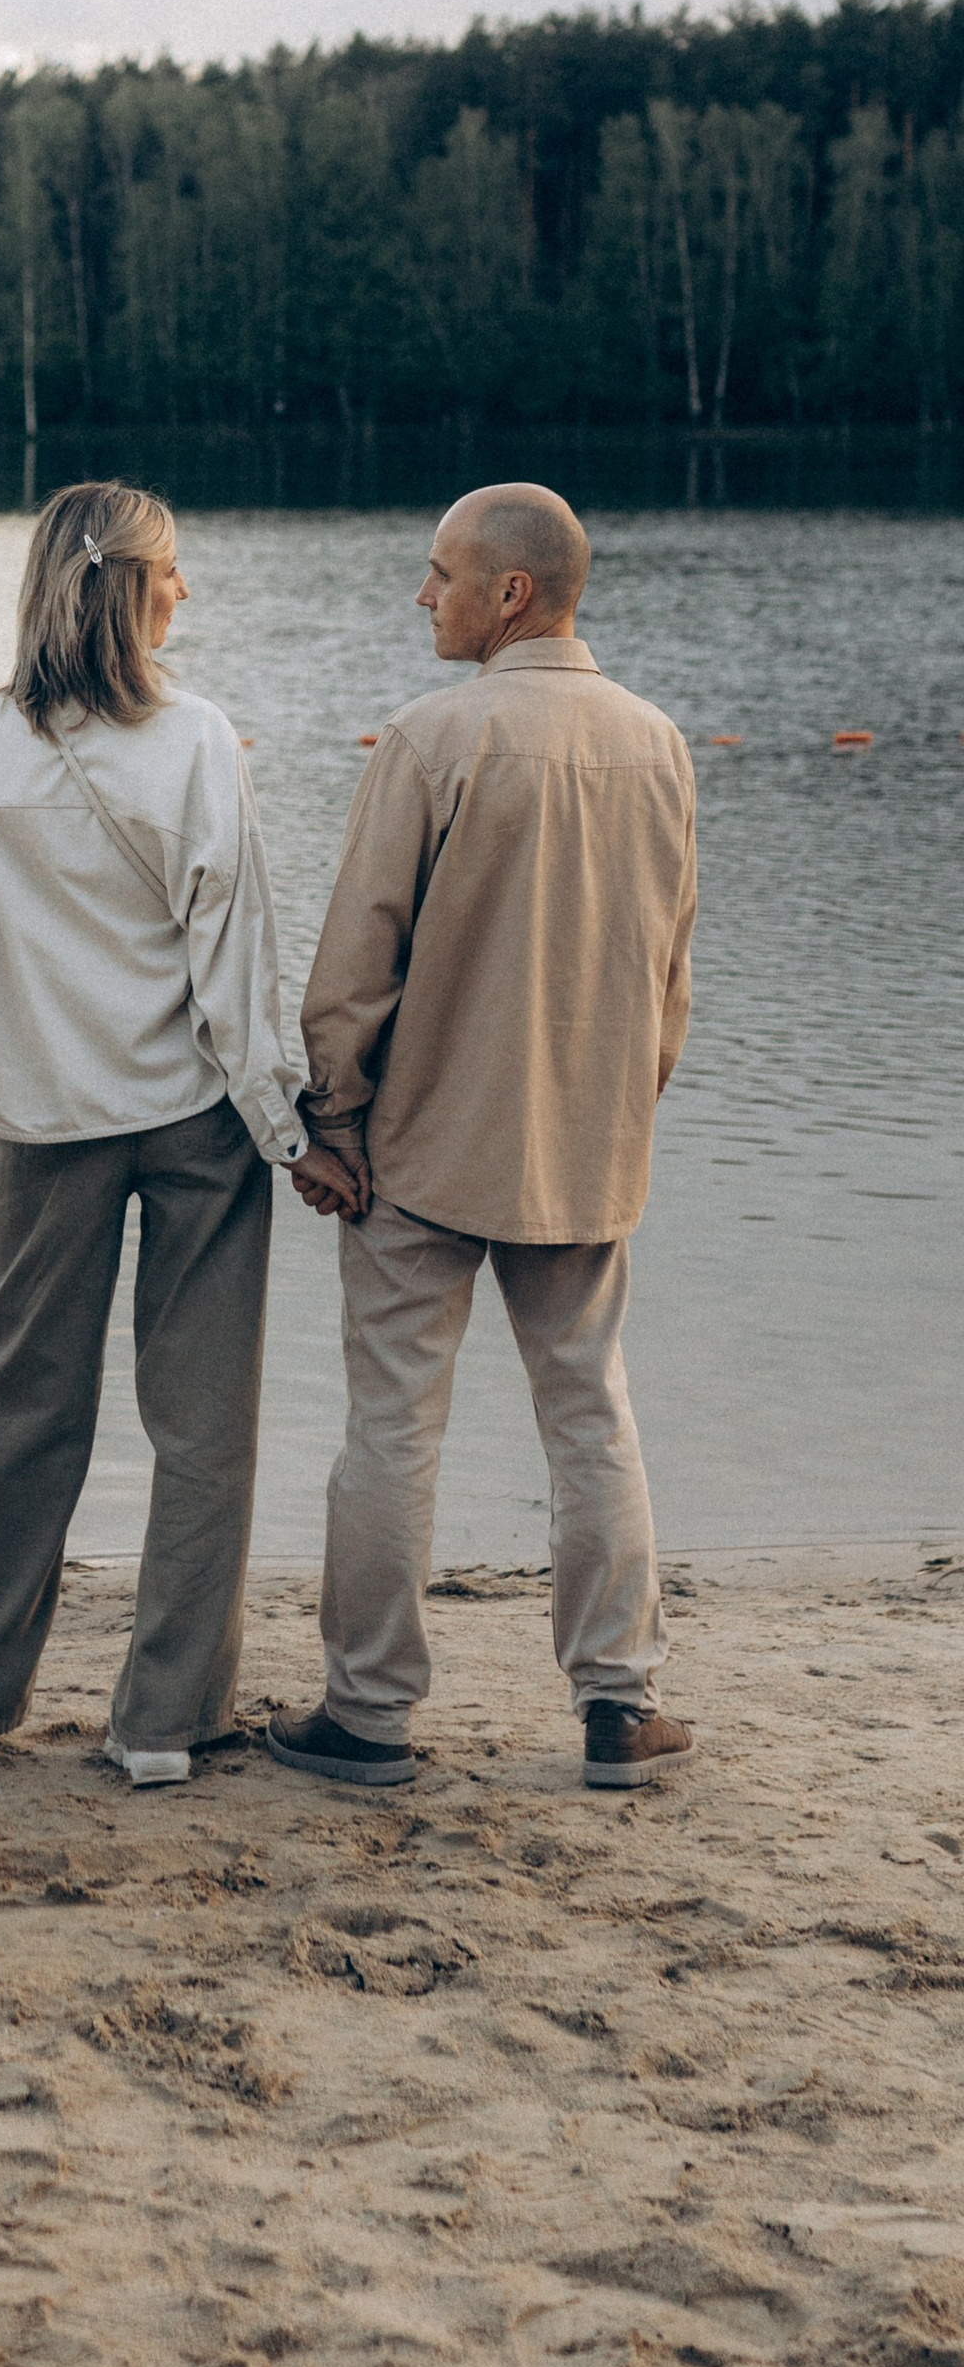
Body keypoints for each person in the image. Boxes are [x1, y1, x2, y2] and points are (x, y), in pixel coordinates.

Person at [0, 480, 308, 1786]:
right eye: (175, 570)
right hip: (196, 1124)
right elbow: (237, 965)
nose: (187, 592)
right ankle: (164, 1720)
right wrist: (287, 1133)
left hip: (47, 1126)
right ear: (133, 588)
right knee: (205, 1425)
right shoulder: (198, 740)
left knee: (17, 1409)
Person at [267, 482, 698, 1794]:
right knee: (592, 1412)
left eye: (442, 571)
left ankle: (372, 1713)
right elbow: (668, 974)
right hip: (583, 1145)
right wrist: (626, 1109)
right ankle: (620, 1705)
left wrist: (329, 1119)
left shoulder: (432, 736)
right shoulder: (658, 742)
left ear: (511, 593)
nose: (424, 592)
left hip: (423, 1148)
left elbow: (353, 963)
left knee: (394, 1422)